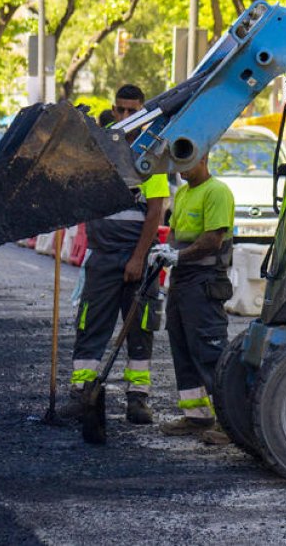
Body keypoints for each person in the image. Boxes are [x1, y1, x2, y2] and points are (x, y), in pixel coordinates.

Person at [60, 85, 169, 424]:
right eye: (120, 110)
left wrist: (138, 258)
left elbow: (155, 212)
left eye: (131, 111)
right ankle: (82, 393)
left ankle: (137, 399)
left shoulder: (150, 154)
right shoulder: (101, 151)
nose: (124, 117)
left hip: (136, 257)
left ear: (142, 111)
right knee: (90, 325)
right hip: (102, 256)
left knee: (140, 328)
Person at [147, 150, 235, 444]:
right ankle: (197, 415)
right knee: (182, 347)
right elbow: (174, 234)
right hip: (183, 282)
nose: (180, 169)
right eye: (177, 164)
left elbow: (213, 239)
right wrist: (164, 254)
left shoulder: (217, 192)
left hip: (205, 282)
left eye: (185, 163)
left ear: (202, 159)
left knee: (209, 350)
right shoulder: (183, 193)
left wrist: (178, 256)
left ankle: (230, 423)